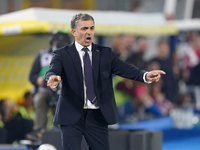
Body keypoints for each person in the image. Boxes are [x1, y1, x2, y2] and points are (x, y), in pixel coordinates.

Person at [45, 13, 166, 150]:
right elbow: (53, 69)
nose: (89, 32)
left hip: (98, 116)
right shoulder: (62, 54)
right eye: (84, 28)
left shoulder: (105, 53)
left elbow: (125, 69)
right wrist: (52, 77)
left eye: (91, 28)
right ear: (74, 32)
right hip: (72, 115)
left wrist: (145, 75)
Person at [28, 31, 71, 140]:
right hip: (46, 88)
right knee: (39, 98)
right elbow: (32, 75)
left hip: (65, 89)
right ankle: (39, 130)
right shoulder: (42, 55)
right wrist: (41, 80)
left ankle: (67, 131)